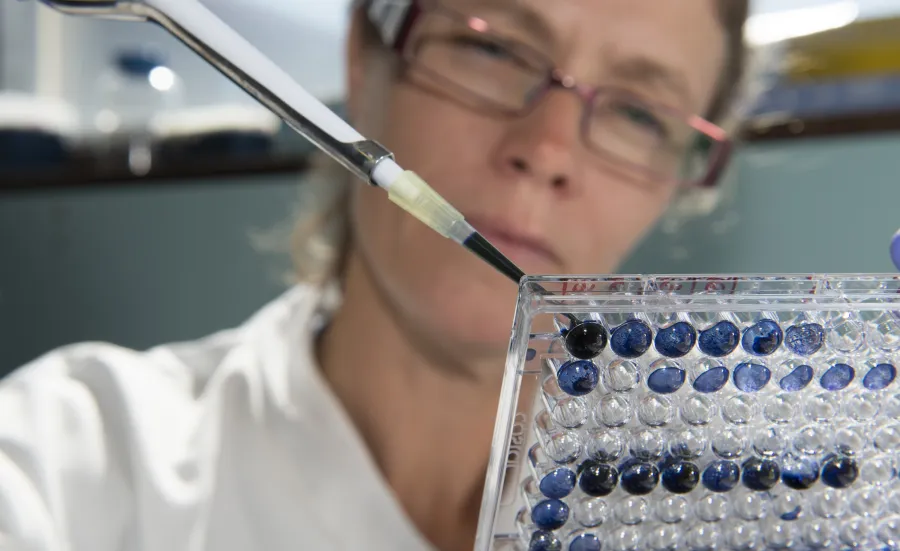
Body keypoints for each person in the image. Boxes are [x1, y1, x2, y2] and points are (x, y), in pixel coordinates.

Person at [0, 1, 750, 550]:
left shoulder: (734, 508)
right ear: (365, 56)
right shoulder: (66, 468)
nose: (547, 148)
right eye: (492, 48)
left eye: (641, 114)